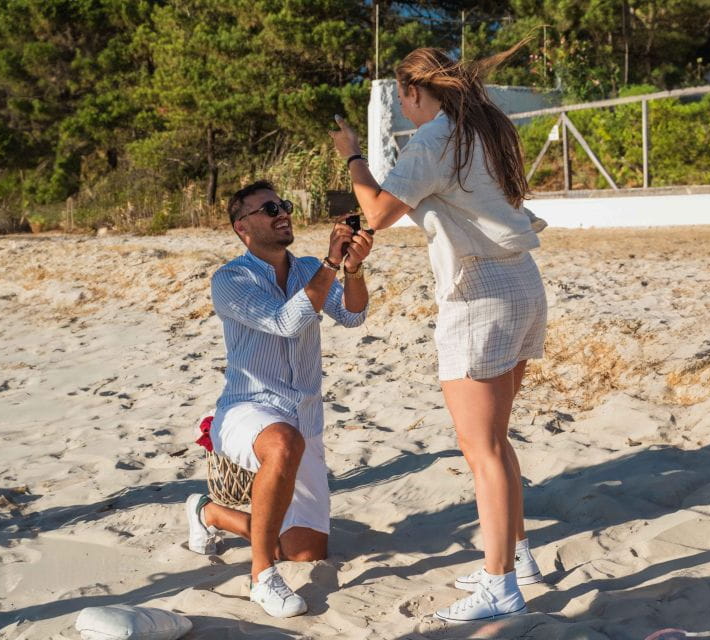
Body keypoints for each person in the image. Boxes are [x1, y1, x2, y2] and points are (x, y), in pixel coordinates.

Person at [329, 45, 547, 623]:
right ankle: (516, 556)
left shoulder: (437, 138)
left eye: (403, 97)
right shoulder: (484, 132)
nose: (402, 108)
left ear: (413, 93)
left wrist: (352, 157)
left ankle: (500, 585)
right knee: (496, 439)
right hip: (522, 283)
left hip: (479, 293)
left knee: (482, 448)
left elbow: (375, 212)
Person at [185, 180, 373, 618]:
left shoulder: (308, 268)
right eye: (269, 208)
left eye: (283, 204)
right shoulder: (231, 279)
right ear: (242, 227)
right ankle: (261, 577)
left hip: (304, 415)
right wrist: (329, 262)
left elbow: (354, 316)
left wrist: (352, 269)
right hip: (247, 408)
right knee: (283, 443)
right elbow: (285, 322)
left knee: (305, 552)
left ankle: (210, 512)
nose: (281, 212)